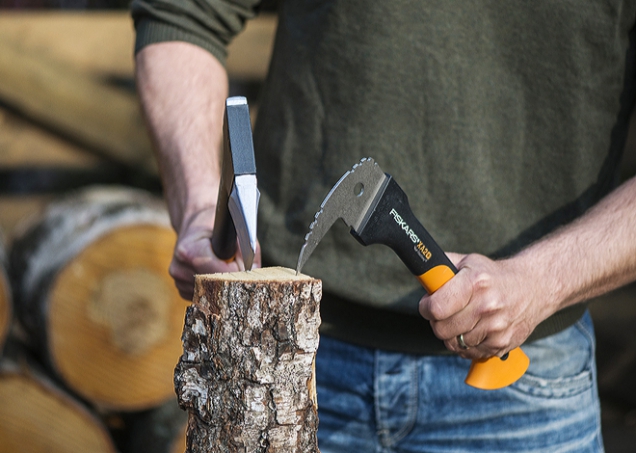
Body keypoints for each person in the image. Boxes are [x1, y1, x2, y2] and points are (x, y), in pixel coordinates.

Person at [131, 1, 636, 451]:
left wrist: (542, 281)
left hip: (520, 386)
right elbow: (181, 14)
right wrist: (201, 206)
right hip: (286, 367)